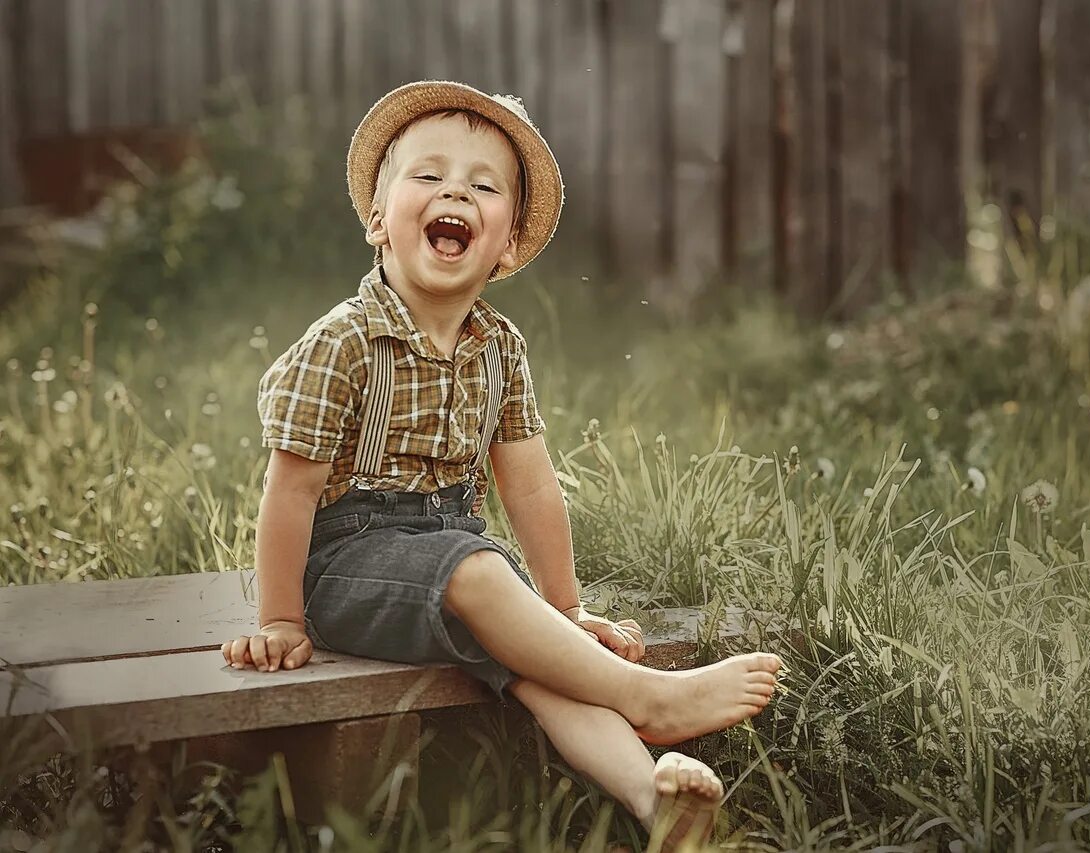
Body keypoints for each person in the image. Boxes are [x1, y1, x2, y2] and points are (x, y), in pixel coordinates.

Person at [221, 80, 781, 849]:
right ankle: (650, 700)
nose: (455, 188)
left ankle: (656, 805)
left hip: (455, 557)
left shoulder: (501, 348)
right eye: (428, 175)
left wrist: (565, 606)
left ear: (506, 244)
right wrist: (282, 618)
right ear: (379, 220)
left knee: (549, 672)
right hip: (347, 569)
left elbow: (530, 484)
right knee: (480, 572)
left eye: (483, 186)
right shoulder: (343, 342)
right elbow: (290, 490)